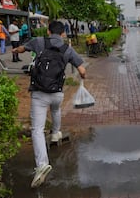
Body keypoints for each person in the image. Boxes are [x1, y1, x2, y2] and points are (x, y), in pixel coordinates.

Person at [12, 20, 86, 188]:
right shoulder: (68, 48)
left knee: (37, 129)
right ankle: (55, 133)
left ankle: (42, 165)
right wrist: (83, 77)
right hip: (57, 93)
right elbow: (82, 69)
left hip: (39, 93)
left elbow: (23, 48)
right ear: (62, 33)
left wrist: (16, 49)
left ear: (48, 31)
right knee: (56, 110)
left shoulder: (38, 41)